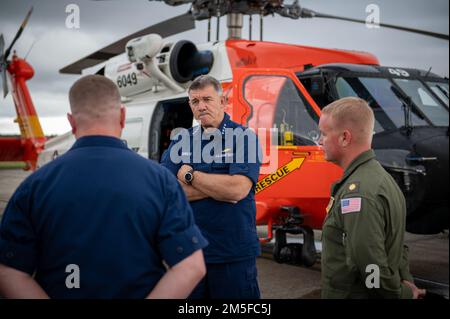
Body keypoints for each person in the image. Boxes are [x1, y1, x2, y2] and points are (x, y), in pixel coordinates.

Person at [0, 75, 207, 299]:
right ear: (122, 116)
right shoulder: (160, 180)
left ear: (71, 122)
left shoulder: (35, 185)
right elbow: (191, 267)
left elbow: (9, 271)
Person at [161, 75, 262, 299]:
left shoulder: (244, 138)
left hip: (231, 254)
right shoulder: (181, 140)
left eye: (207, 99)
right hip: (191, 254)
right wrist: (219, 186)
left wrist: (189, 175)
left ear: (223, 101)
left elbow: (237, 190)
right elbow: (167, 192)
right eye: (195, 102)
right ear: (190, 105)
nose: (201, 106)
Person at [319, 97, 426, 299]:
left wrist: (400, 293)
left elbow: (369, 263)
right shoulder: (382, 180)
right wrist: (405, 280)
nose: (319, 140)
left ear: (344, 138)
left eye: (324, 134)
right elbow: (396, 244)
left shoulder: (358, 192)